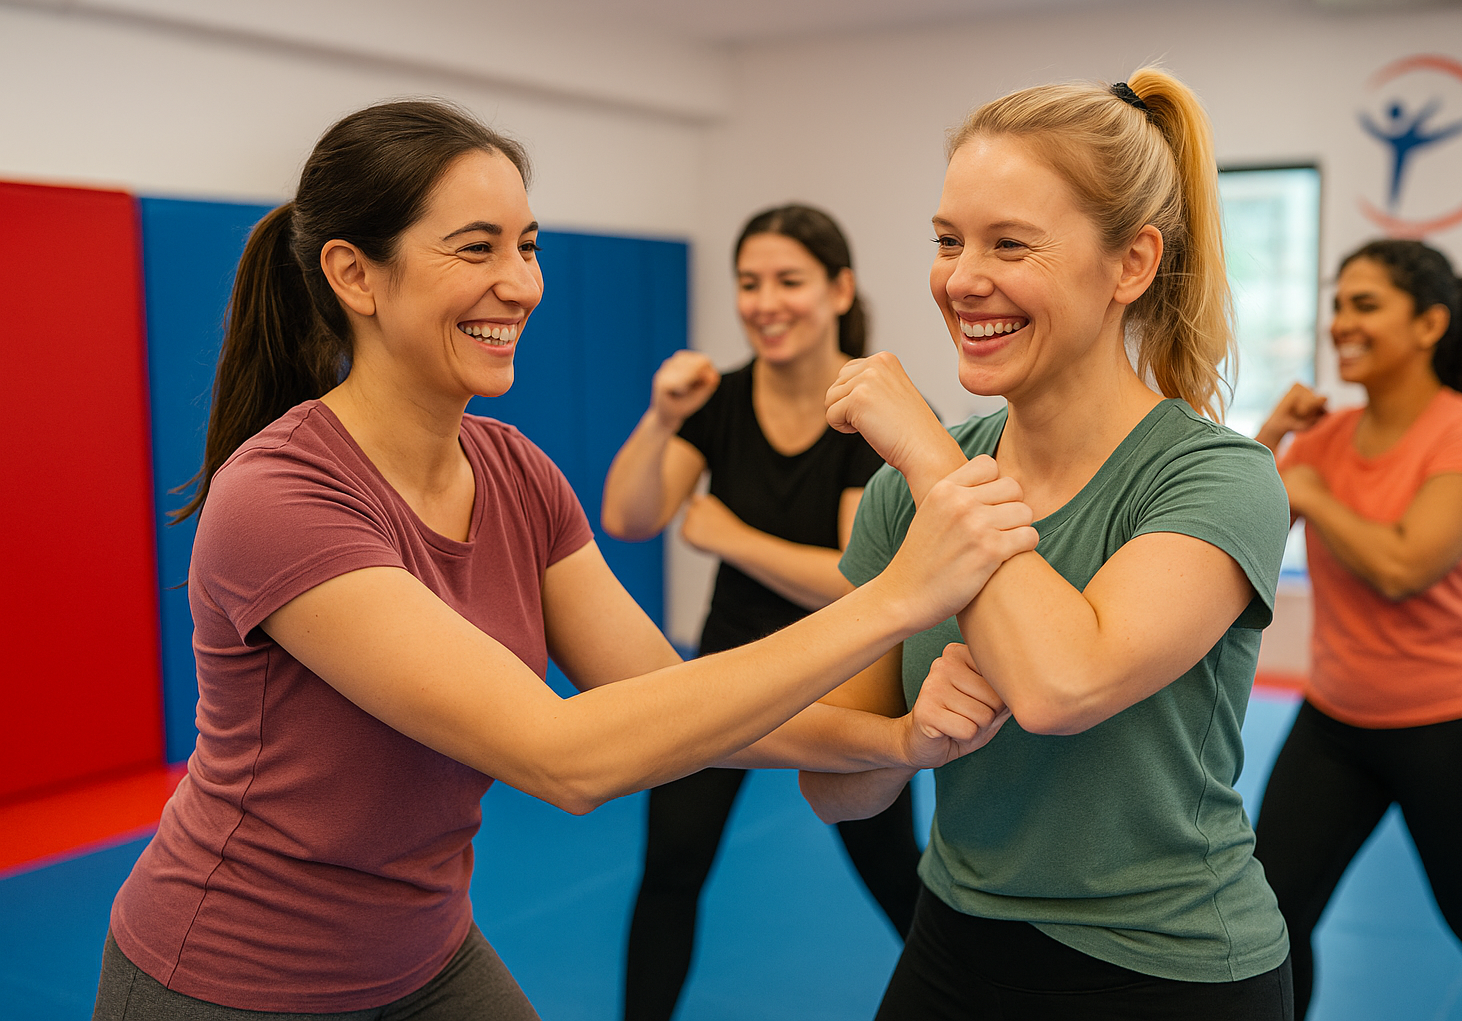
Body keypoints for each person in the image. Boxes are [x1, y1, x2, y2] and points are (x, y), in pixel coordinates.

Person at [90, 100, 1039, 1021]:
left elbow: (665, 694)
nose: (522, 284)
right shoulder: (283, 496)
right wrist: (898, 599)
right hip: (232, 975)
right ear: (353, 274)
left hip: (423, 953)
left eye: (527, 245)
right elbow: (566, 757)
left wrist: (896, 743)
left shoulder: (514, 473)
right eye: (477, 248)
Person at [797, 69, 1297, 1018]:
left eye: (1010, 244)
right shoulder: (910, 491)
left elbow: (1065, 684)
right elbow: (835, 790)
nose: (960, 278)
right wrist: (908, 740)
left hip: (1168, 967)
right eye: (947, 241)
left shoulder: (1216, 479)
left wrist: (929, 453)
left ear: (1132, 265)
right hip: (950, 939)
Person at [603, 205, 920, 1020]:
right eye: (749, 283)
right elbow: (630, 516)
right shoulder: (719, 401)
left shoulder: (869, 407)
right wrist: (665, 414)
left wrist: (733, 537)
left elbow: (862, 585)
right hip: (728, 668)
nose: (764, 302)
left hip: (848, 674)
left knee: (896, 873)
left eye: (788, 281)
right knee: (671, 864)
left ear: (839, 289)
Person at [1252, 239, 1462, 1019]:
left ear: (1430, 324)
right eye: (1338, 303)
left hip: (1452, 726)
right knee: (1270, 917)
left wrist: (1311, 487)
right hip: (1336, 722)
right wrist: (1274, 434)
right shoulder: (1325, 438)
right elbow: (1224, 533)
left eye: (1365, 304)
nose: (1341, 321)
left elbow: (1406, 565)